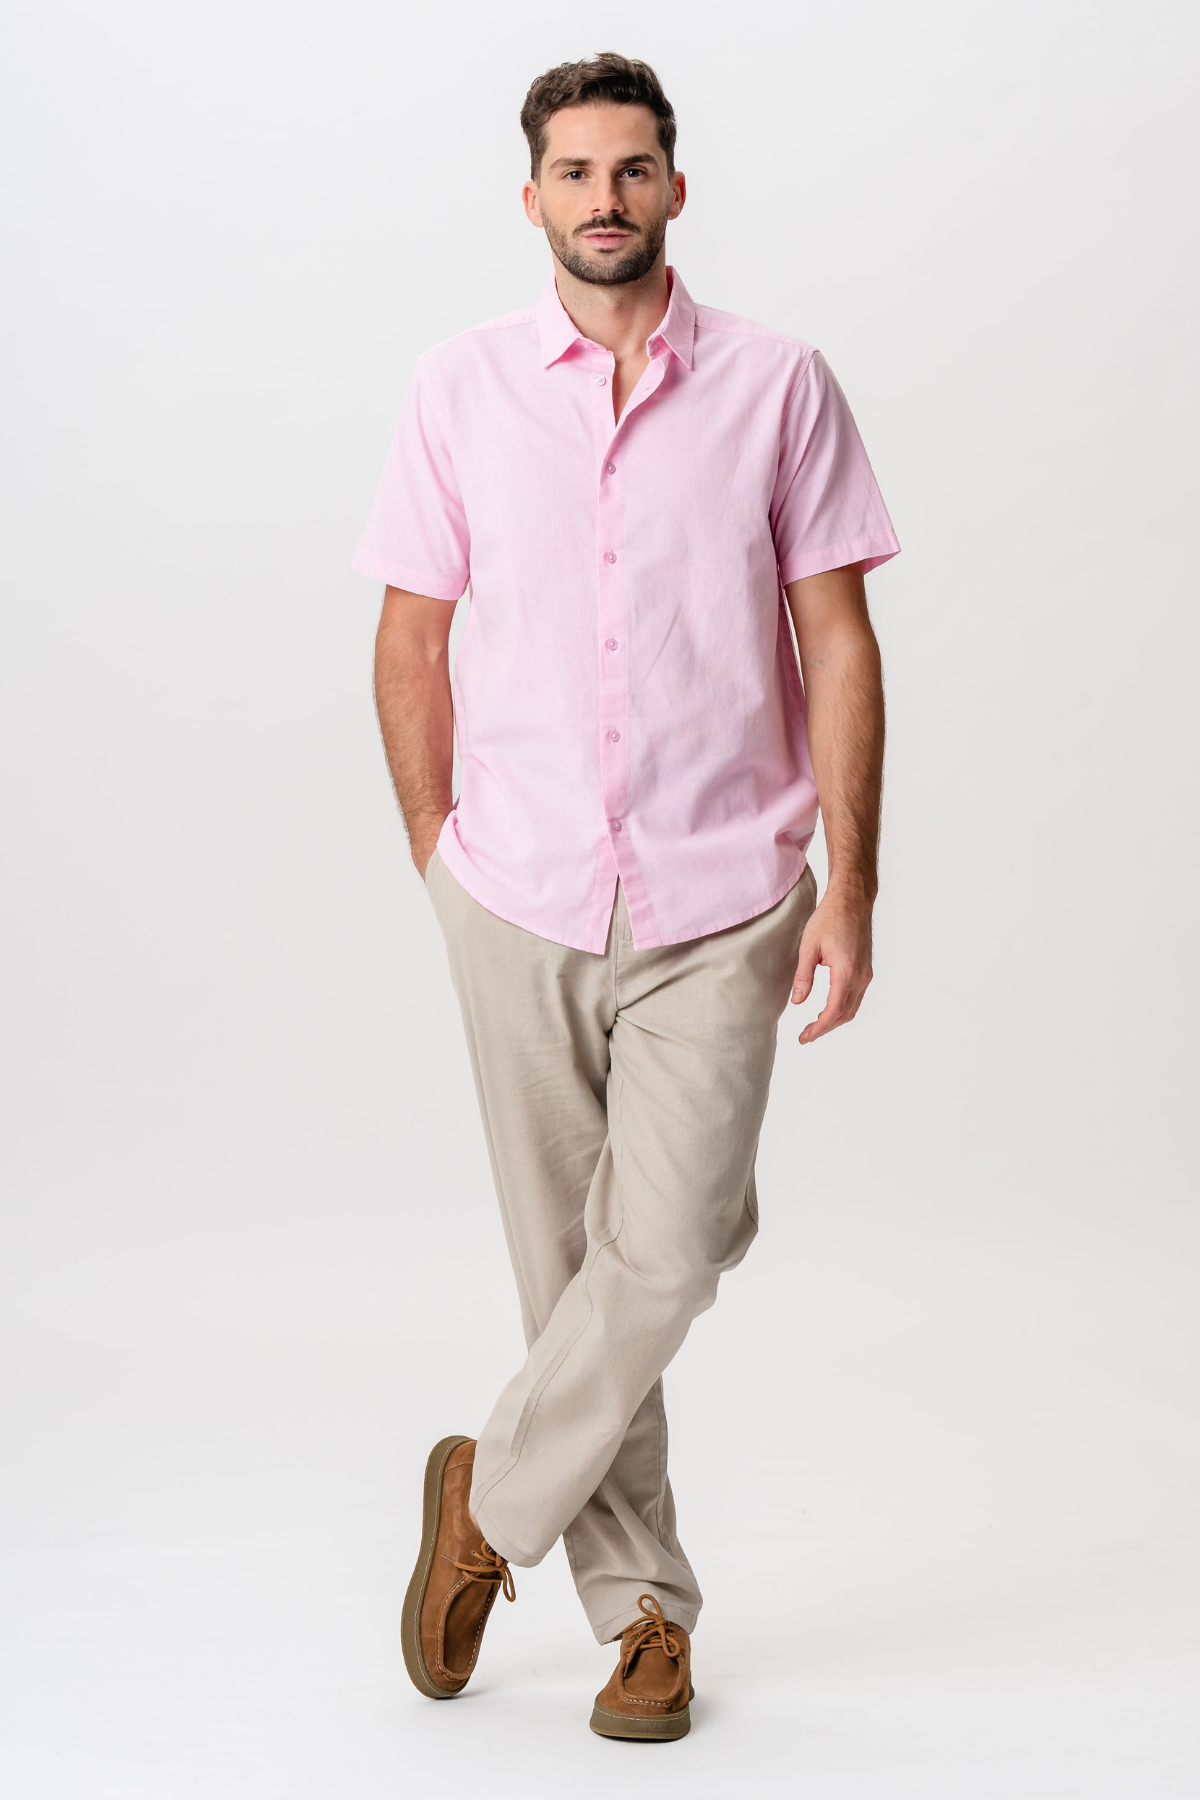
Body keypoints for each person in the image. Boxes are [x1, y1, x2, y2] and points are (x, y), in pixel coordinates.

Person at [353, 51, 899, 1741]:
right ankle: (645, 1616)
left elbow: (836, 640)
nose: (606, 198)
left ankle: (488, 1501)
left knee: (664, 1251)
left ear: (675, 189)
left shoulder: (780, 385)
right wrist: (437, 846)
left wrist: (854, 883)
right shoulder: (456, 388)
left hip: (723, 892)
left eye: (633, 168)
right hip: (514, 891)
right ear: (533, 198)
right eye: (576, 173)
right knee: (568, 1274)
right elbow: (410, 635)